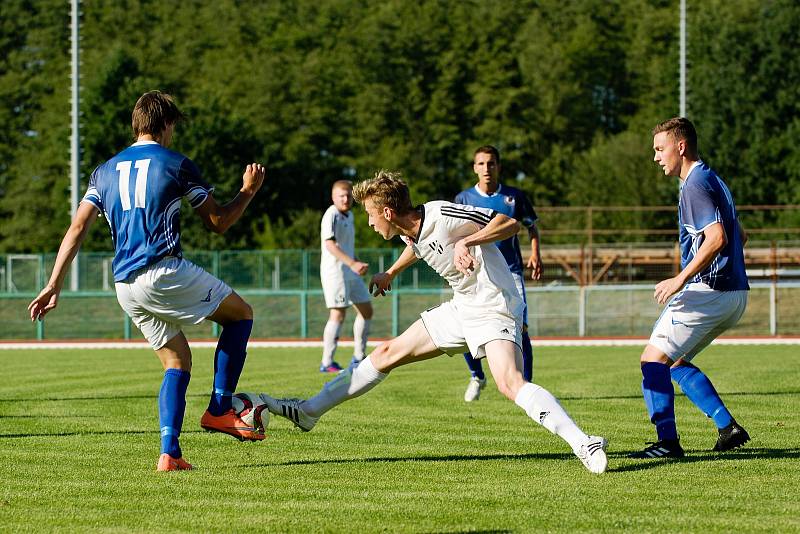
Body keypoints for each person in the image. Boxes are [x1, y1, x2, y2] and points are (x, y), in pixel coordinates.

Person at [260, 170, 609, 474]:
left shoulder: (443, 212)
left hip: (494, 306)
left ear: (387, 211)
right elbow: (418, 244)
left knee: (509, 382)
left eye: (370, 215)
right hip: (461, 308)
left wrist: (468, 241)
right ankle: (308, 411)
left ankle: (584, 443)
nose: (368, 222)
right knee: (386, 353)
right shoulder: (406, 229)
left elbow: (509, 224)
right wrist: (391, 272)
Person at [27, 90, 267, 471]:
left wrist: (53, 283)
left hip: (125, 285)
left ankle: (169, 454)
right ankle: (221, 408)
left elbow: (77, 227)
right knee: (241, 315)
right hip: (163, 271)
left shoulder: (103, 171)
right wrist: (247, 192)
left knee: (177, 359)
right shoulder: (176, 164)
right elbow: (218, 222)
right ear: (166, 124)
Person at [630, 117, 750, 459]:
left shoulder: (694, 185)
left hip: (709, 291)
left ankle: (667, 443)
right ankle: (727, 427)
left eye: (659, 148)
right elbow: (741, 236)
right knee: (676, 361)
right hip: (735, 294)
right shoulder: (714, 179)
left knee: (652, 360)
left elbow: (718, 238)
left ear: (680, 146)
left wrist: (681, 278)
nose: (656, 157)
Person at [455, 145, 542, 401]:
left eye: (491, 163)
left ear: (498, 166)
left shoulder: (514, 197)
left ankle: (527, 386)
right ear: (474, 168)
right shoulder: (463, 199)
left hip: (511, 271)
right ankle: (477, 376)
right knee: (464, 325)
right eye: (481, 164)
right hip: (476, 273)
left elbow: (531, 228)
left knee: (521, 327)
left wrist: (535, 254)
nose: (486, 168)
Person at [318, 180, 373, 373]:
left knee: (367, 310)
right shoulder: (331, 214)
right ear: (333, 197)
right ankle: (327, 362)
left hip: (350, 271)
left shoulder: (349, 215)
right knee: (338, 314)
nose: (346, 198)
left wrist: (356, 261)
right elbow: (330, 245)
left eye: (349, 195)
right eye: (341, 195)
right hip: (335, 273)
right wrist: (352, 263)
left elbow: (346, 246)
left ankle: (358, 357)